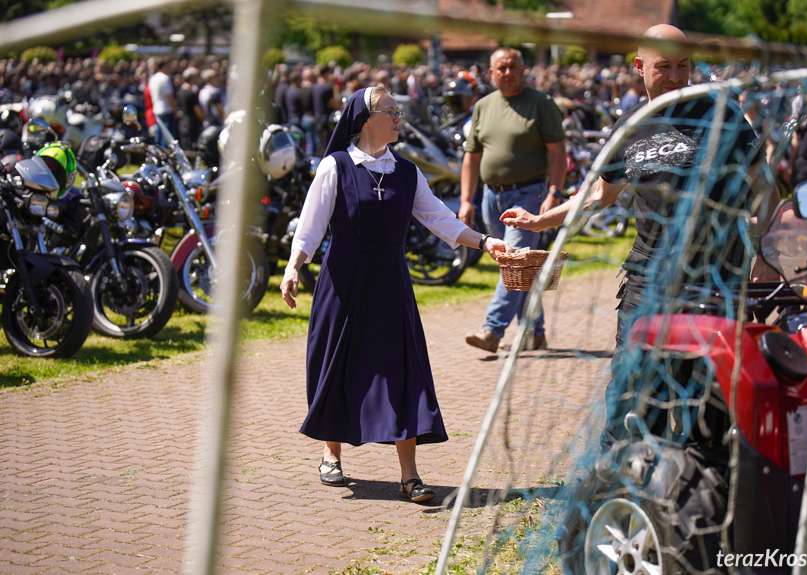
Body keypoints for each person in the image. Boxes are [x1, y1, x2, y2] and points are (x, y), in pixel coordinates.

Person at [499, 24, 779, 450]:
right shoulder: (629, 126)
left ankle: (698, 497)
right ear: (639, 66)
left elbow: (766, 187)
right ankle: (617, 490)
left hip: (715, 277)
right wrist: (541, 221)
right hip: (646, 278)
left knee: (707, 398)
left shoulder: (718, 111)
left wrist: (763, 250)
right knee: (632, 393)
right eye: (663, 66)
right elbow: (598, 195)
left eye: (683, 66)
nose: (674, 76)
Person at [279, 87, 511, 503]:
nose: (399, 117)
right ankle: (331, 454)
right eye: (392, 111)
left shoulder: (406, 171)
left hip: (390, 282)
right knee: (337, 365)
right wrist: (294, 267)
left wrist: (484, 242)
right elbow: (311, 225)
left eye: (398, 111)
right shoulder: (336, 167)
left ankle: (410, 475)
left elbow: (439, 217)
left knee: (404, 370)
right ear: (367, 119)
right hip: (343, 283)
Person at [459, 47, 566, 353]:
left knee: (516, 263)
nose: (508, 73)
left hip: (529, 194)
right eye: (501, 68)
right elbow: (471, 157)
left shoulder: (541, 103)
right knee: (516, 267)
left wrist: (554, 194)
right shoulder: (482, 106)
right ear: (491, 73)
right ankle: (535, 331)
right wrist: (467, 200)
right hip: (492, 197)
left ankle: (492, 331)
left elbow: (559, 153)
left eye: (513, 67)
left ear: (523, 70)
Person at [147, 59, 178, 146]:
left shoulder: (153, 78)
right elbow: (169, 97)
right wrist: (175, 111)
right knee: (167, 139)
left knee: (159, 137)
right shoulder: (165, 78)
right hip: (166, 111)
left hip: (157, 110)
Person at [176, 67, 204, 152]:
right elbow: (197, 110)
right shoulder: (190, 93)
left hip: (182, 122)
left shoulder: (180, 91)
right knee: (190, 148)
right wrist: (203, 119)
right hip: (191, 123)